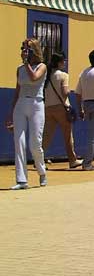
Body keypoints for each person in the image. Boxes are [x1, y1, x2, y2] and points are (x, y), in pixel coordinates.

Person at [5, 38, 48, 190]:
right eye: (22, 47)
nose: (24, 51)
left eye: (27, 48)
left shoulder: (42, 66)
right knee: (19, 142)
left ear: (34, 50)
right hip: (21, 104)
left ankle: (42, 171)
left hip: (37, 104)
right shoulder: (20, 69)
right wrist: (11, 114)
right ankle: (22, 180)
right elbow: (17, 92)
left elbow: (34, 78)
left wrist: (26, 63)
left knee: (35, 143)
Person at [42, 52, 83, 169]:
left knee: (46, 135)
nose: (64, 63)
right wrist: (70, 91)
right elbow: (65, 93)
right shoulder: (63, 75)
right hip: (61, 108)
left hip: (48, 108)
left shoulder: (47, 75)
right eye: (63, 61)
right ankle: (72, 160)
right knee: (67, 135)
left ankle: (39, 160)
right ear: (60, 62)